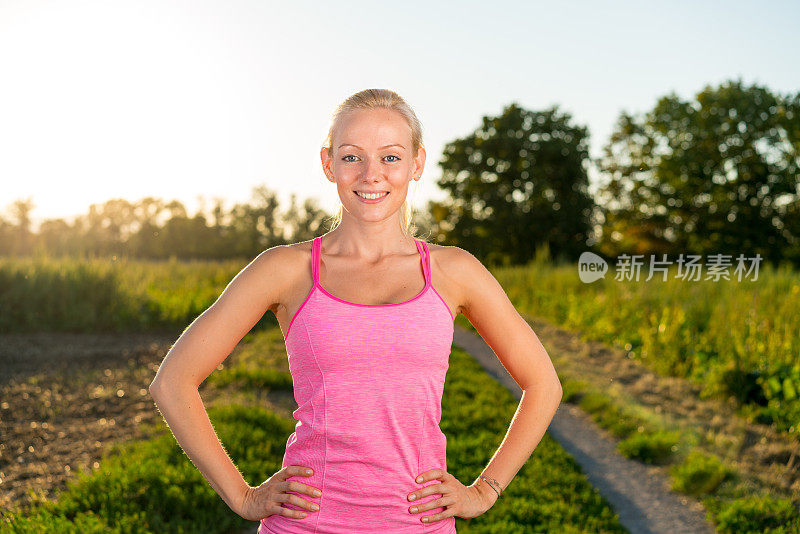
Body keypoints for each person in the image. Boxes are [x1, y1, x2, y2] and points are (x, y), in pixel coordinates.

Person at [149, 88, 563, 533]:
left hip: (419, 525)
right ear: (328, 164)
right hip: (305, 525)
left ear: (416, 163)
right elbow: (173, 382)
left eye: (390, 157)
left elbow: (543, 384)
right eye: (352, 157)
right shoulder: (285, 270)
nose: (371, 174)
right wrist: (243, 496)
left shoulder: (454, 271)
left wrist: (485, 491)